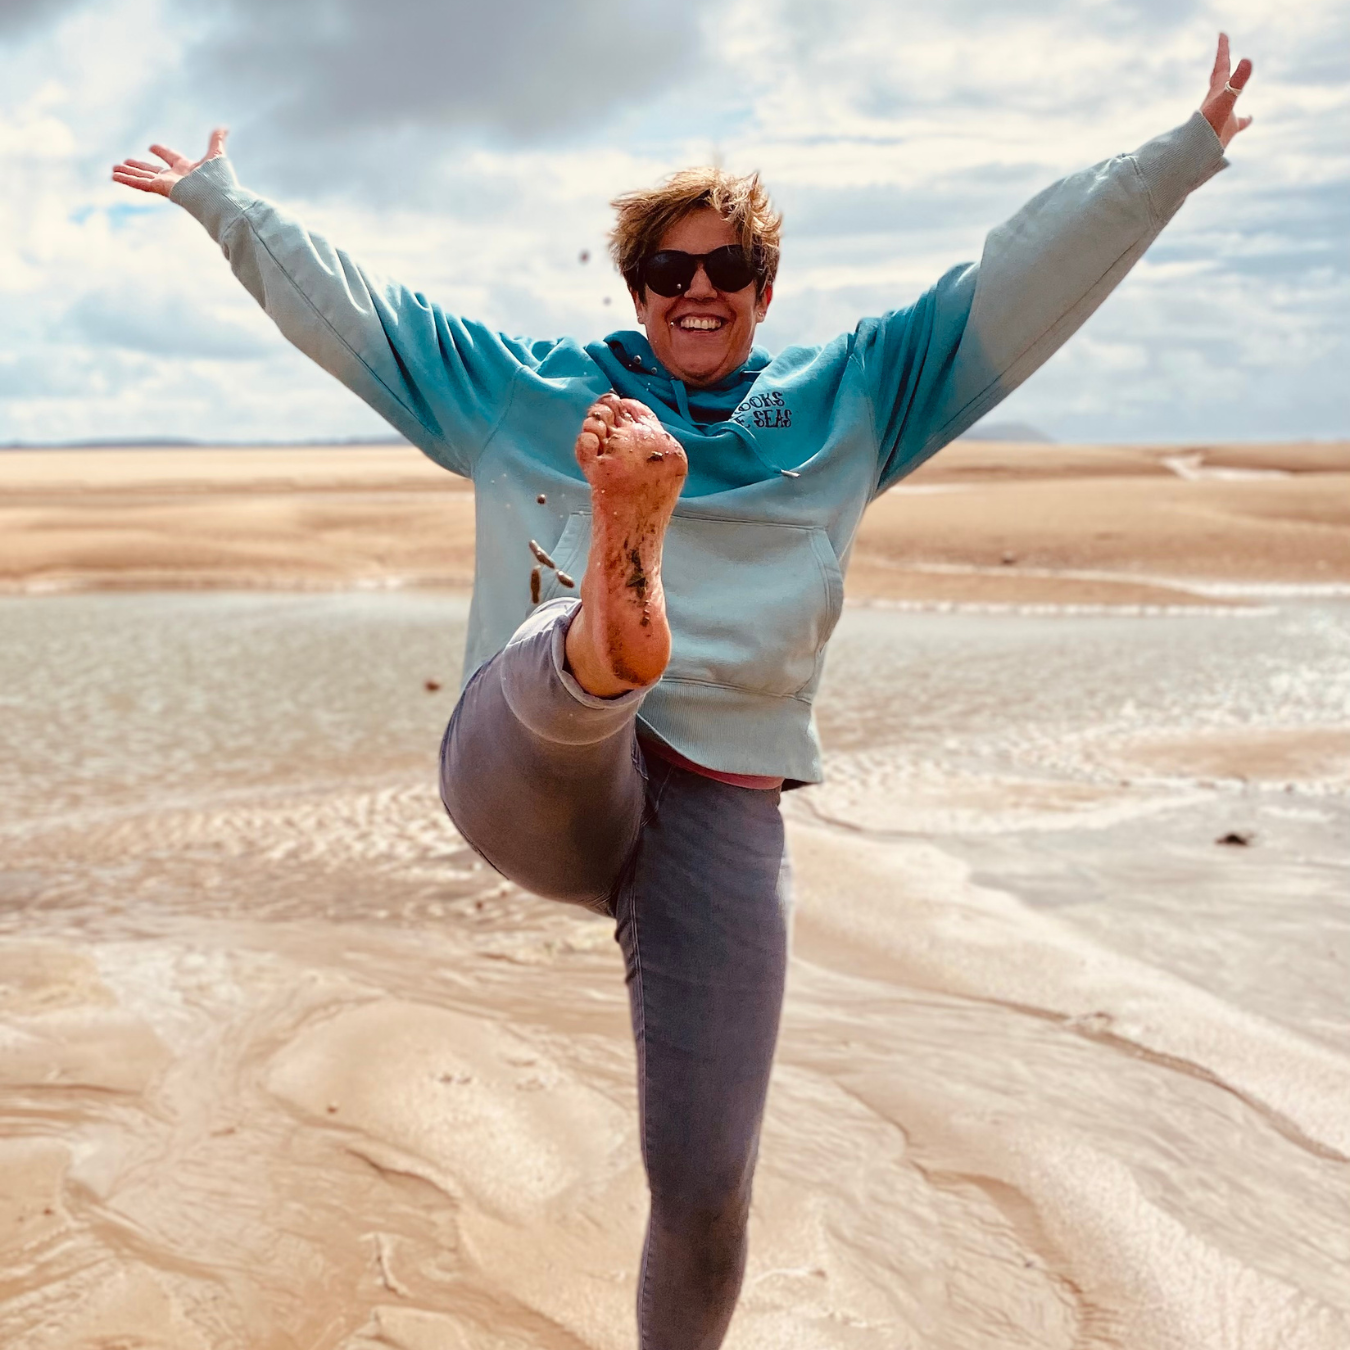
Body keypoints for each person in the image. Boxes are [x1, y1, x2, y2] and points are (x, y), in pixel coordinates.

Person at [114, 35, 1252, 1350]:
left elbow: (1010, 281)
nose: (696, 290)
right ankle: (614, 605)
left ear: (765, 288)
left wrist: (1177, 157)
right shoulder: (530, 390)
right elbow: (370, 316)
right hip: (534, 764)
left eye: (727, 269)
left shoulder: (856, 398)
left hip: (719, 805)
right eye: (667, 270)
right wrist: (225, 205)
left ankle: (620, 600)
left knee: (707, 1191)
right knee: (569, 662)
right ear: (635, 286)